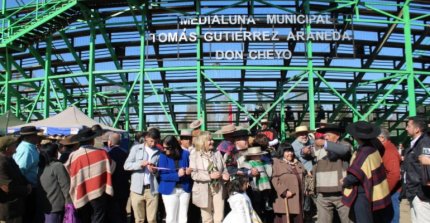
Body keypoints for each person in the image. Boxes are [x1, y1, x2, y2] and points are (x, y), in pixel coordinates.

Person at [342, 121, 392, 222]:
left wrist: (345, 181)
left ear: (356, 136)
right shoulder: (373, 148)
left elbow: (356, 174)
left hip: (363, 192)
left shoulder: (364, 152)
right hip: (373, 190)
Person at [64, 128, 114, 223]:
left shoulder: (74, 156)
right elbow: (111, 167)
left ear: (79, 142)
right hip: (99, 191)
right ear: (92, 140)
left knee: (84, 216)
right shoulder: (102, 153)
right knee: (98, 214)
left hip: (81, 190)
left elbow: (69, 171)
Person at [313, 123, 352, 223]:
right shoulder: (320, 147)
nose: (325, 137)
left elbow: (344, 151)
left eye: (328, 135)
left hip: (341, 192)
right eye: (324, 135)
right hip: (322, 194)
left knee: (347, 220)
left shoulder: (344, 145)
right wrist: (304, 151)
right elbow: (307, 154)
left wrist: (325, 144)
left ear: (337, 135)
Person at [190, 131, 230, 223]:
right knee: (207, 219)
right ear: (202, 142)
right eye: (209, 140)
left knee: (219, 218)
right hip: (203, 189)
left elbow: (224, 169)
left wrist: (225, 175)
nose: (212, 141)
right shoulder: (194, 155)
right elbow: (194, 174)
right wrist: (209, 176)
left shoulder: (217, 153)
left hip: (218, 188)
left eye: (212, 139)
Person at [124, 128, 161, 223]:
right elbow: (126, 166)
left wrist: (154, 171)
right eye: (151, 141)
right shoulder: (136, 149)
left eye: (156, 142)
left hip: (152, 190)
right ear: (146, 138)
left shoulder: (159, 152)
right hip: (136, 190)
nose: (153, 144)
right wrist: (140, 164)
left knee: (152, 220)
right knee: (139, 220)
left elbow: (160, 172)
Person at [158, 135, 192, 223]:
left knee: (183, 217)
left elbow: (190, 171)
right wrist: (177, 175)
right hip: (169, 190)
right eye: (163, 147)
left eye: (166, 148)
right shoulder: (163, 156)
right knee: (171, 217)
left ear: (174, 146)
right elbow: (162, 175)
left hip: (184, 189)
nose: (164, 149)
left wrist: (188, 172)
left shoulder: (185, 154)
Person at [13, 126, 43, 222]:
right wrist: (26, 185)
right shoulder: (26, 150)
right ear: (30, 137)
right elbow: (19, 171)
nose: (37, 137)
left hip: (30, 188)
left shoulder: (29, 148)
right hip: (28, 190)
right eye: (36, 135)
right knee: (28, 216)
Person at [403, 116, 430, 222]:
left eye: (408, 126)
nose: (406, 128)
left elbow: (427, 167)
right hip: (414, 191)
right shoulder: (415, 143)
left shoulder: (425, 143)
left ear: (417, 129)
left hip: (421, 192)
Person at [0, 136, 31, 223]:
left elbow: (20, 175)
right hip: (7, 210)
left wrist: (27, 183)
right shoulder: (1, 162)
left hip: (16, 208)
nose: (16, 147)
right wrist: (26, 189)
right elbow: (6, 187)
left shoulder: (9, 159)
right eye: (14, 145)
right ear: (7, 148)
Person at [272, 143, 305, 223]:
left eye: (291, 151)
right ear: (281, 152)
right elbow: (274, 179)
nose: (290, 153)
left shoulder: (298, 163)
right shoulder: (276, 163)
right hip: (285, 198)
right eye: (286, 151)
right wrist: (284, 191)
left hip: (298, 198)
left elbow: (304, 176)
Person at [38, 143, 71, 223]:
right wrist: (69, 206)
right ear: (55, 153)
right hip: (55, 208)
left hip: (44, 206)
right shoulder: (57, 166)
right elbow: (66, 187)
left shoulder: (41, 167)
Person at [377, 128, 401, 223]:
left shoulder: (388, 151)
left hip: (391, 192)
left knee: (390, 218)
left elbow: (394, 174)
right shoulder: (385, 149)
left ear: (382, 138)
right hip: (389, 190)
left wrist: (385, 191)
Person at [242, 147, 272, 220]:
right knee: (256, 205)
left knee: (263, 205)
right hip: (254, 187)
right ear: (251, 156)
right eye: (257, 155)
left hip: (264, 187)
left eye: (259, 155)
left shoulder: (263, 163)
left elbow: (269, 173)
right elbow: (245, 174)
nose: (259, 157)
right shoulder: (248, 163)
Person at [107, 133, 130, 223]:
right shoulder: (125, 154)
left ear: (110, 142)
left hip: (112, 187)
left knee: (113, 212)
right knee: (123, 210)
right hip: (124, 186)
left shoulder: (108, 154)